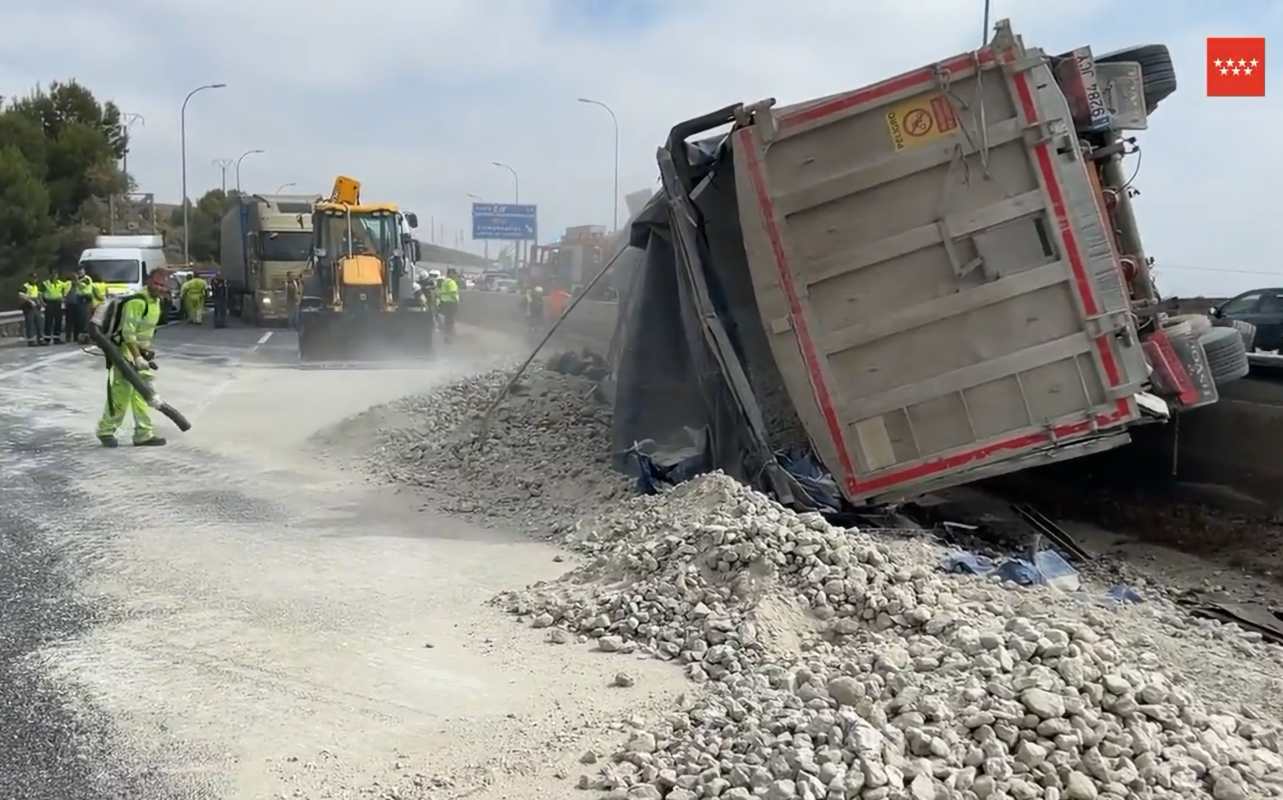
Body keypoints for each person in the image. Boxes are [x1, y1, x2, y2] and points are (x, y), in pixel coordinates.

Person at [97, 269, 169, 448]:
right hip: (124, 354)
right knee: (121, 393)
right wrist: (136, 357)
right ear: (148, 281)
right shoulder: (138, 301)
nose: (158, 287)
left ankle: (143, 434)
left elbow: (143, 332)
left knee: (142, 395)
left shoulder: (156, 302)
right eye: (156, 283)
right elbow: (128, 333)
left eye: (162, 284)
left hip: (138, 353)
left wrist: (145, 352)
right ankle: (106, 431)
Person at [67, 267, 94, 343]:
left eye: (82, 271)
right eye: (79, 271)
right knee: (79, 318)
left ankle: (85, 337)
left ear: (84, 271)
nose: (80, 272)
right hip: (79, 299)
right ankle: (78, 336)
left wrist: (76, 280)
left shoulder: (87, 278)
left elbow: (82, 286)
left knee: (85, 318)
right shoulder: (78, 279)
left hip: (86, 298)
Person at [18, 274, 45, 347]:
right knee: (30, 324)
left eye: (35, 278)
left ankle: (40, 339)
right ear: (29, 278)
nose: (34, 279)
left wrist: (41, 303)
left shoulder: (36, 286)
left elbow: (39, 295)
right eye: (33, 278)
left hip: (36, 306)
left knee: (39, 323)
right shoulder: (25, 286)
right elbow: (20, 294)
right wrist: (29, 300)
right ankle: (31, 341)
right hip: (28, 306)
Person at [437, 268, 460, 341]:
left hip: (444, 302)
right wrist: (456, 301)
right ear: (450, 274)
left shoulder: (444, 282)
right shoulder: (451, 282)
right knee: (450, 320)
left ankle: (446, 335)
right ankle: (449, 337)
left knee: (447, 320)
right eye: (454, 273)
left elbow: (441, 292)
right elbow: (453, 293)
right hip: (451, 303)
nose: (456, 275)